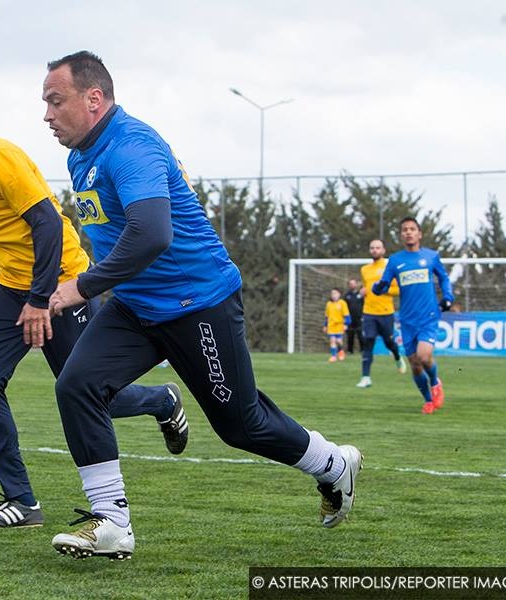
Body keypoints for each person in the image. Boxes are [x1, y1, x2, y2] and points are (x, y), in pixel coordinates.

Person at [42, 51, 361, 559]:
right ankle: (112, 522)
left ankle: (332, 464)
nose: (47, 115)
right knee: (77, 385)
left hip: (197, 303)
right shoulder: (80, 155)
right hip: (135, 306)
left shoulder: (132, 146)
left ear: (94, 99)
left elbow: (152, 234)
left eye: (56, 101)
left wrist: (83, 285)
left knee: (242, 426)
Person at [0, 90, 188, 530]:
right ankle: (21, 502)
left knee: (87, 394)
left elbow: (49, 224)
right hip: (10, 288)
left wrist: (41, 300)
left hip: (61, 285)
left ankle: (161, 400)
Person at [372, 218, 453, 414]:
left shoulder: (431, 257)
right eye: (405, 230)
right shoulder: (396, 260)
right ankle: (428, 400)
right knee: (415, 365)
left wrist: (448, 296)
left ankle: (435, 382)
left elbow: (443, 277)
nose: (408, 232)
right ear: (401, 235)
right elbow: (383, 283)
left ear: (419, 233)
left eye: (412, 229)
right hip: (407, 319)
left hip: (428, 316)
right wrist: (378, 287)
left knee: (424, 356)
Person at [356, 239, 407, 388]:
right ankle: (366, 377)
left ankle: (397, 356)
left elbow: (399, 289)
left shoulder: (389, 266)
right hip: (368, 312)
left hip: (385, 312)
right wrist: (364, 291)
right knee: (368, 342)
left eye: (377, 248)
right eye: (372, 248)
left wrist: (383, 290)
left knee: (389, 342)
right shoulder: (365, 269)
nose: (374, 250)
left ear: (383, 250)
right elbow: (367, 288)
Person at [323, 288, 350, 362]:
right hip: (331, 325)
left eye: (335, 293)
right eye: (332, 294)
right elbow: (327, 316)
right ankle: (334, 356)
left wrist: (346, 324)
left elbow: (347, 315)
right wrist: (325, 325)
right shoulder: (329, 304)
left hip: (339, 325)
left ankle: (341, 352)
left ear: (339, 294)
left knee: (339, 341)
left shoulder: (342, 303)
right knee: (332, 340)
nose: (334, 295)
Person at [343, 279, 363, 354]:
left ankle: (362, 350)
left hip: (359, 318)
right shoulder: (346, 296)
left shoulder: (360, 295)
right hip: (350, 319)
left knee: (360, 335)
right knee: (350, 335)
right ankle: (350, 351)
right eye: (350, 284)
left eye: (353, 283)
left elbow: (364, 305)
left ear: (356, 284)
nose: (352, 285)